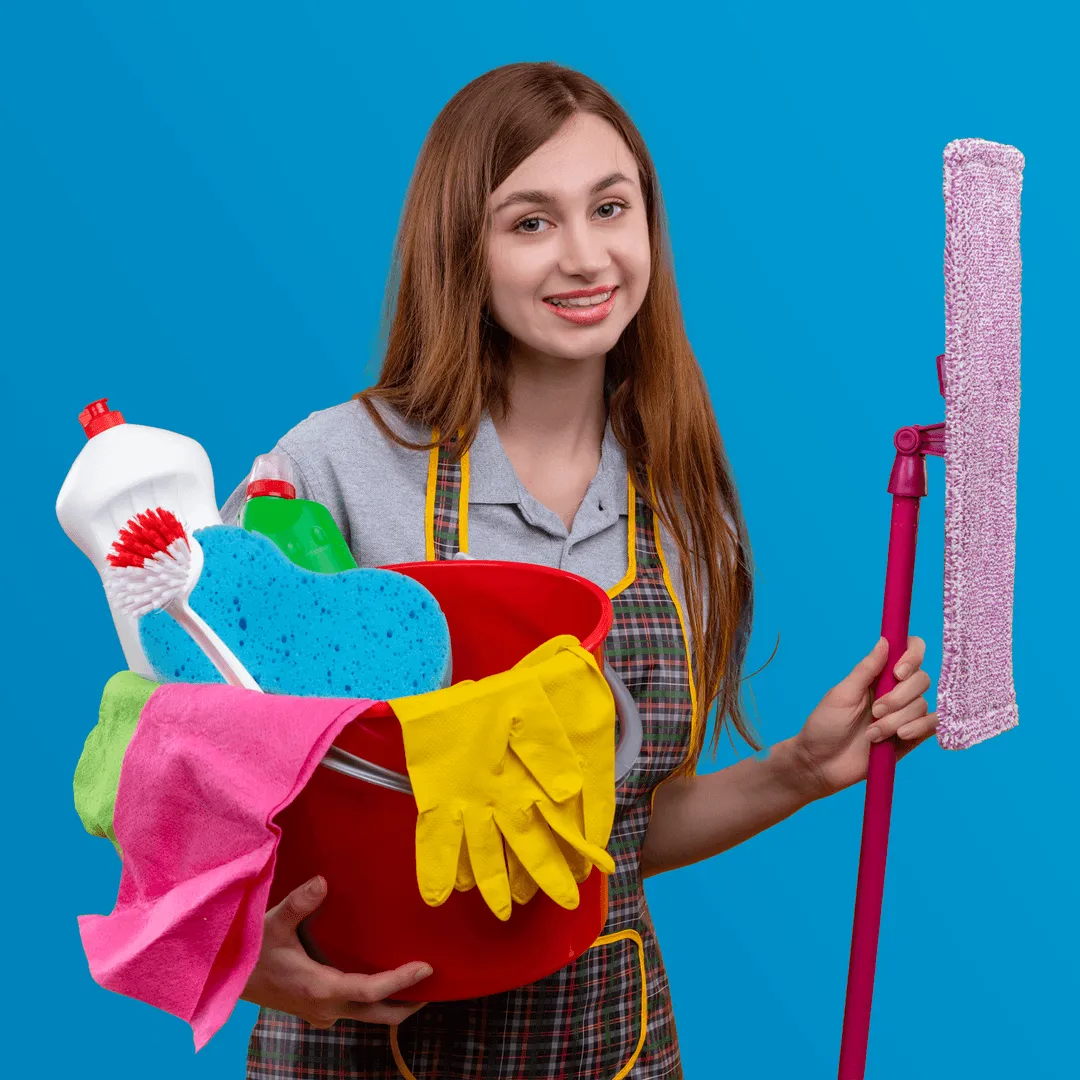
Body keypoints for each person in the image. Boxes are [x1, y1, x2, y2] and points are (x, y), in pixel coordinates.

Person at [223, 61, 938, 1080]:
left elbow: (621, 828)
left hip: (606, 1043)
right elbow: (187, 774)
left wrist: (800, 772)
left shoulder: (685, 517)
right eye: (531, 221)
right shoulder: (329, 472)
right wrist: (252, 960)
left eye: (611, 207)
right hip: (363, 1046)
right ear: (461, 249)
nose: (585, 256)